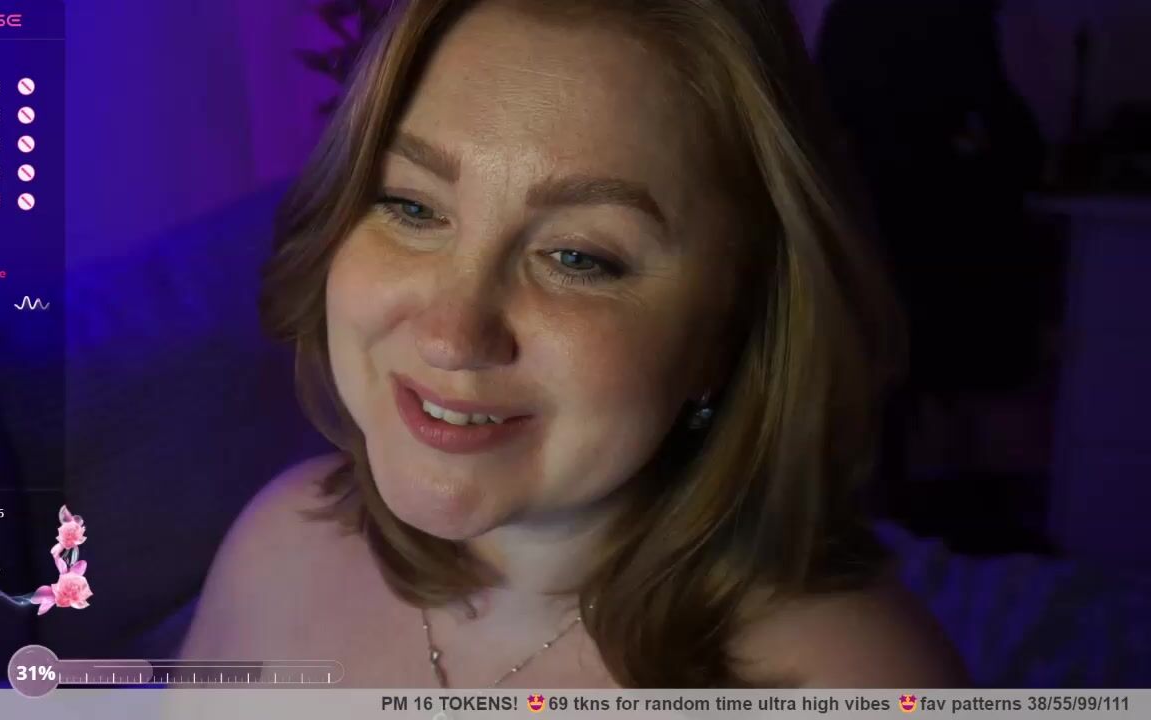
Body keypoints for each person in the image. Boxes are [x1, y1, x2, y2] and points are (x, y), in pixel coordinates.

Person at [181, 0, 968, 687]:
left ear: (728, 329)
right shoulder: (277, 548)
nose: (452, 336)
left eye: (577, 257)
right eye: (412, 208)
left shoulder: (857, 682)